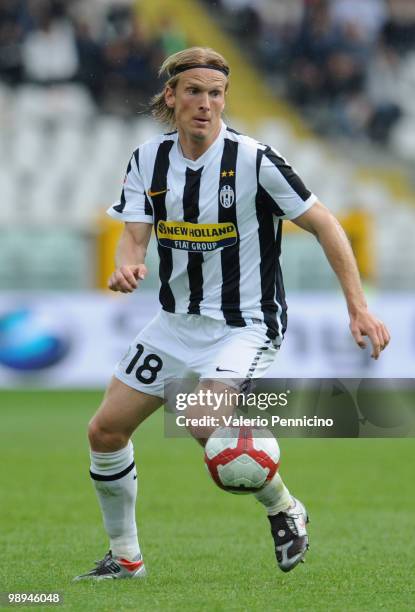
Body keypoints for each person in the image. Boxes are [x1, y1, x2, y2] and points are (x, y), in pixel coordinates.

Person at [74, 46, 390, 581]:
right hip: (175, 324)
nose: (205, 103)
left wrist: (358, 308)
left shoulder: (255, 160)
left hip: (245, 323)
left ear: (224, 99)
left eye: (215, 93)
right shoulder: (146, 161)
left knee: (201, 419)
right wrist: (125, 268)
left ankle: (284, 508)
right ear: (171, 97)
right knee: (105, 432)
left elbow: (327, 225)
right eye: (193, 91)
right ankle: (125, 559)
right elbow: (133, 239)